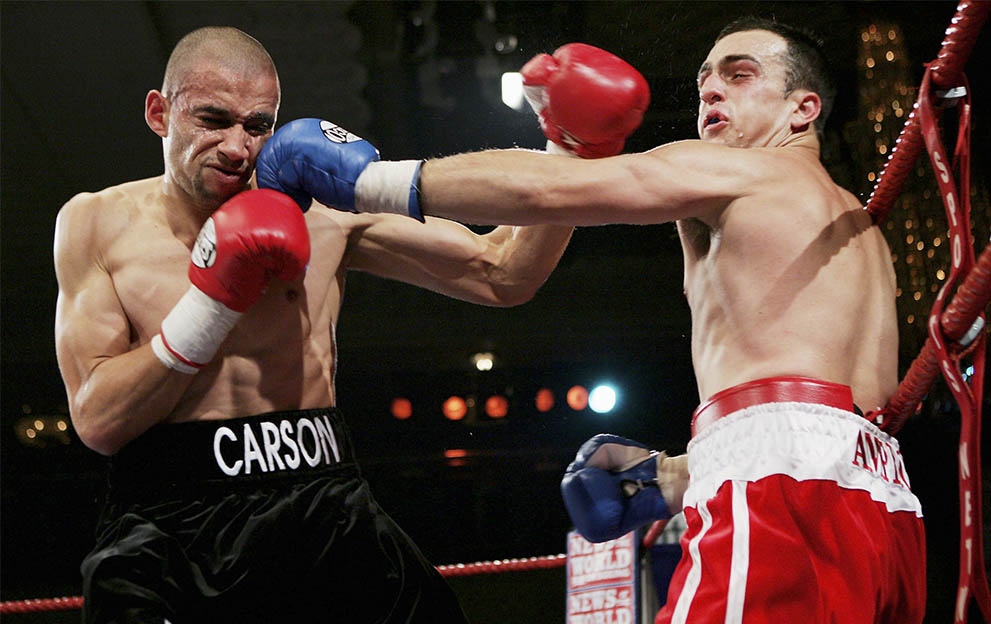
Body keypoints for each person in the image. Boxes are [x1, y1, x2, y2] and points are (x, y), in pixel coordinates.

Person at [258, 18, 927, 624]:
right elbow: (819, 424)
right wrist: (672, 476)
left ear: (802, 108)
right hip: (888, 507)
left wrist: (365, 180)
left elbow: (544, 192)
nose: (710, 90)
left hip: (779, 496)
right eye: (704, 79)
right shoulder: (859, 231)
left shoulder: (745, 174)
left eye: (740, 74)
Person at [53, 27, 650, 623]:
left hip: (322, 508)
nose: (237, 147)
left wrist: (571, 149)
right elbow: (98, 421)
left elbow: (504, 273)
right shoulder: (95, 223)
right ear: (160, 113)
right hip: (168, 526)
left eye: (257, 126)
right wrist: (211, 305)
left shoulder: (323, 209)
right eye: (212, 120)